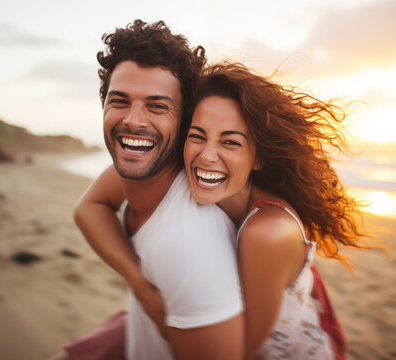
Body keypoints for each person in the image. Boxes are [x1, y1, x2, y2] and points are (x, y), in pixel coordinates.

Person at [68, 61, 374, 359]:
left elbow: (241, 351)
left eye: (231, 142)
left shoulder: (267, 232)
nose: (208, 156)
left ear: (258, 158)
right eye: (197, 136)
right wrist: (142, 288)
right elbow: (89, 208)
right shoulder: (177, 165)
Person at [62, 20, 245, 360]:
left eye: (157, 106)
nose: (133, 120)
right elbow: (90, 207)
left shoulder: (190, 245)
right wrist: (143, 287)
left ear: (184, 119)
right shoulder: (143, 172)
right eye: (119, 101)